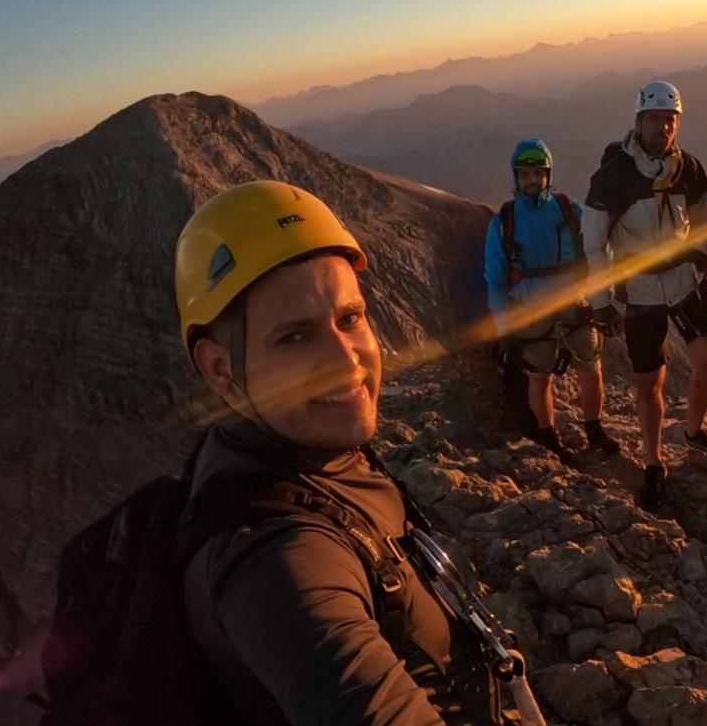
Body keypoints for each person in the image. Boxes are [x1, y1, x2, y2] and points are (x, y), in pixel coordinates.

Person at [174, 181, 498, 723]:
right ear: (219, 369)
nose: (346, 361)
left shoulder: (297, 451)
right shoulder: (278, 564)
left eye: (350, 319)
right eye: (295, 337)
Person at [582, 80, 707, 511]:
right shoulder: (612, 176)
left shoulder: (689, 168)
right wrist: (601, 302)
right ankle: (653, 462)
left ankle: (693, 431)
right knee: (650, 381)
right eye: (654, 119)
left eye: (670, 120)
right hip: (642, 287)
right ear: (638, 122)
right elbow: (593, 244)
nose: (662, 127)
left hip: (685, 277)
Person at [483, 138, 622, 462]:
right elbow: (496, 281)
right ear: (517, 177)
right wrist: (504, 329)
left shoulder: (568, 209)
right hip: (533, 311)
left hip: (575, 304)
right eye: (525, 174)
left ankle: (593, 429)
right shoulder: (504, 222)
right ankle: (549, 438)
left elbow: (598, 250)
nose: (532, 180)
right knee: (540, 377)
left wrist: (605, 298)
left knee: (590, 368)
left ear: (547, 175)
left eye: (537, 173)